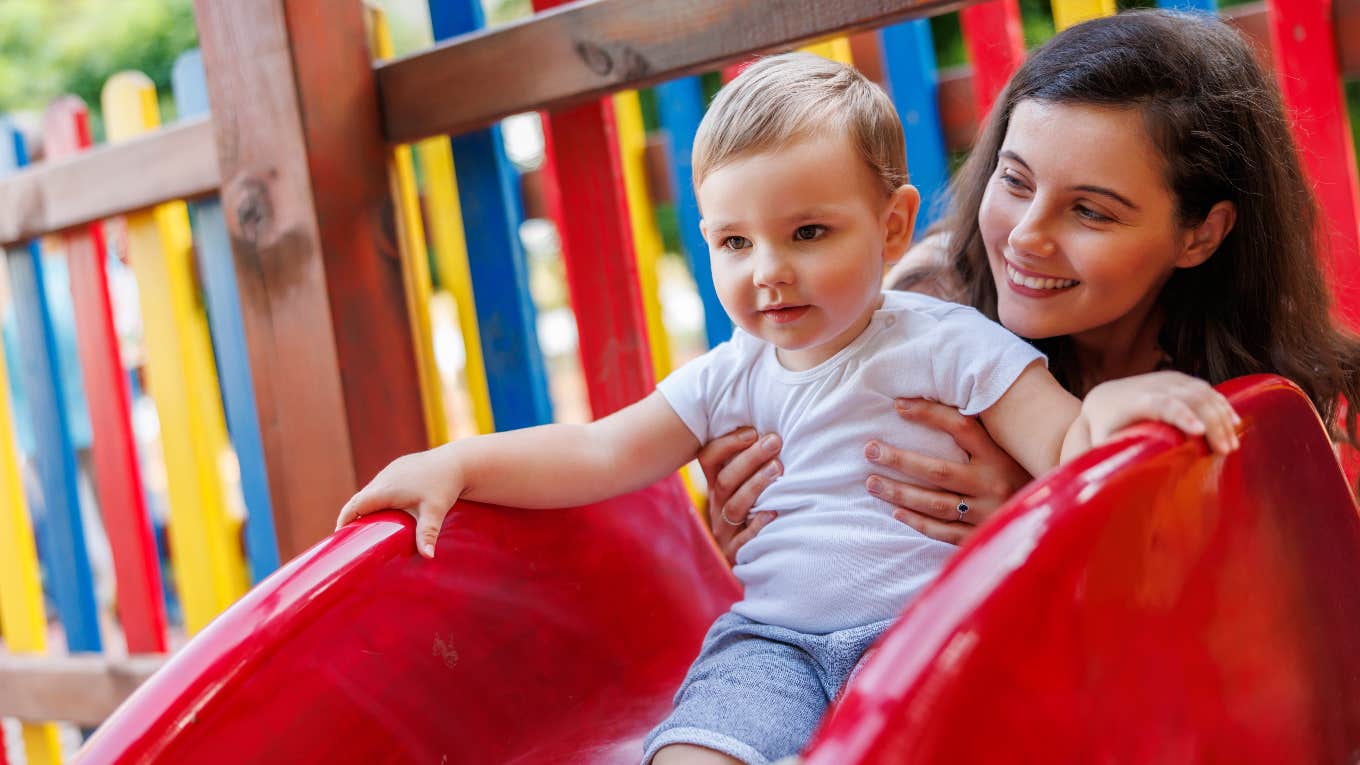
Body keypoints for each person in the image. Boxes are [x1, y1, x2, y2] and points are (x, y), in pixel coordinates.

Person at [337, 52, 1237, 765]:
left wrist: (1121, 401)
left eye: (808, 233)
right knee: (693, 748)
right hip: (774, 642)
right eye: (737, 240)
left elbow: (1066, 438)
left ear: (891, 228)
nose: (768, 268)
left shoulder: (950, 342)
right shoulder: (730, 375)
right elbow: (597, 452)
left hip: (932, 629)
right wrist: (456, 463)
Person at [700, 10, 1360, 561]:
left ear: (1202, 234)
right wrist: (742, 516)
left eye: (1090, 211)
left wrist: (1040, 511)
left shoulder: (1257, 386)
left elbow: (1280, 617)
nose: (1023, 238)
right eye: (1014, 182)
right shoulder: (921, 303)